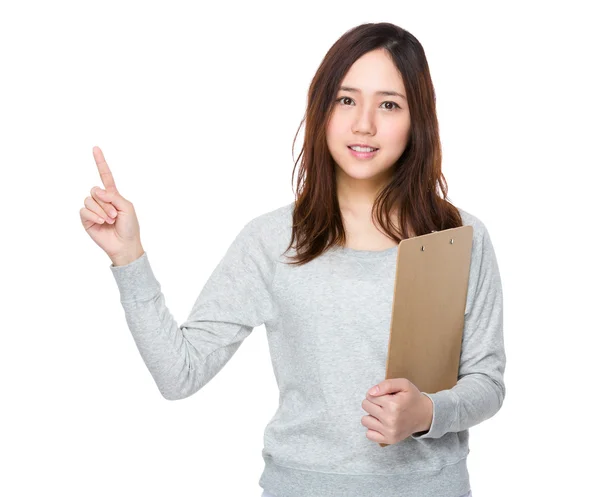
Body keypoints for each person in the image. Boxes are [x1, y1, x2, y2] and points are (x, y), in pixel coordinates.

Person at [80, 22, 504, 497]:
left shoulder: (458, 237)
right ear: (322, 109)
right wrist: (128, 257)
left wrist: (427, 412)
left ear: (417, 119)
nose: (364, 123)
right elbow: (179, 375)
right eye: (346, 100)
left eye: (389, 104)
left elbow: (486, 381)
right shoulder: (272, 240)